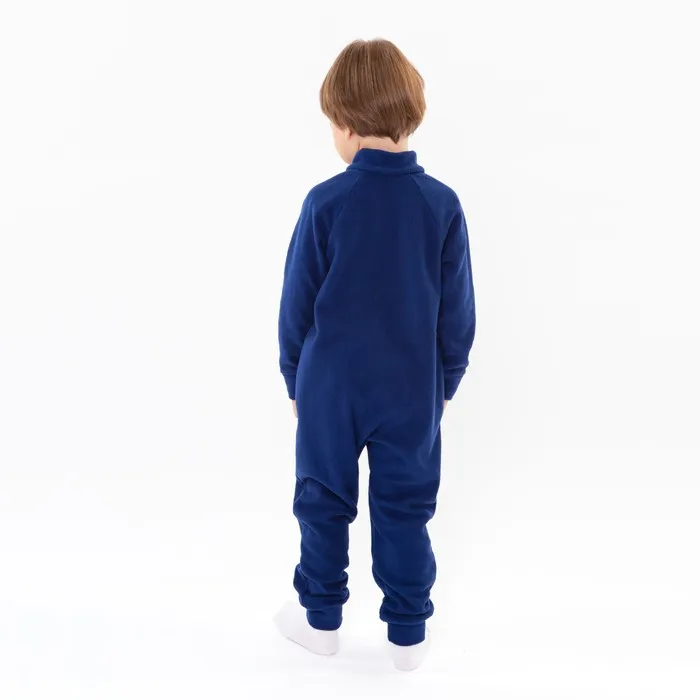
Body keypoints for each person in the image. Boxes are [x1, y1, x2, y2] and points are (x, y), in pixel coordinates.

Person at [274, 38, 476, 671]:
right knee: (405, 506)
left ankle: (320, 622)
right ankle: (407, 636)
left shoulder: (325, 202)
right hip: (410, 389)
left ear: (345, 124)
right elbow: (458, 317)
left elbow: (297, 305)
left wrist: (295, 381)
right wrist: (443, 385)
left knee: (322, 498)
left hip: (330, 386)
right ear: (411, 115)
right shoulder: (441, 205)